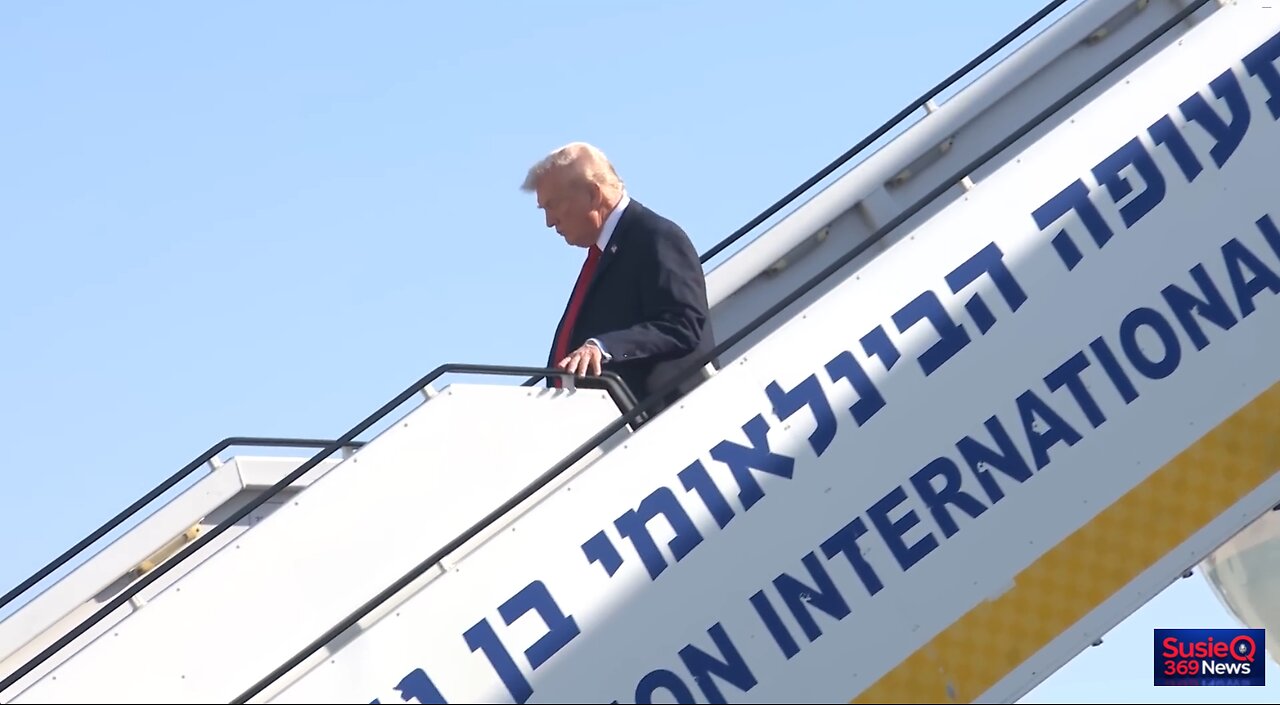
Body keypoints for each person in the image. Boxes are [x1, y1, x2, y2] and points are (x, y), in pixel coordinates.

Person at [520, 142, 715, 418]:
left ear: (592, 193)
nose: (550, 221)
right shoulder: (604, 254)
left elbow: (683, 325)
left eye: (552, 205)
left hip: (661, 423)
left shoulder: (656, 237)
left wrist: (604, 347)